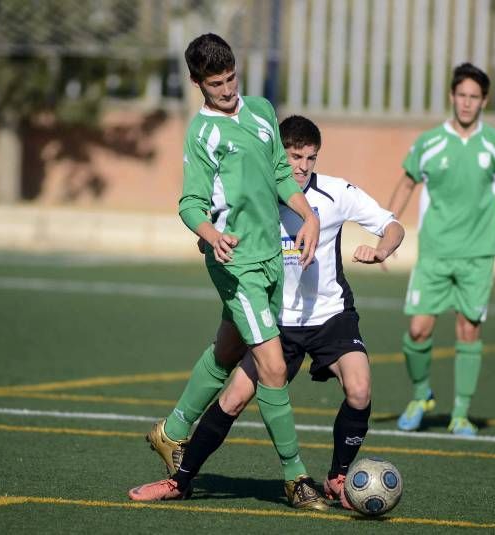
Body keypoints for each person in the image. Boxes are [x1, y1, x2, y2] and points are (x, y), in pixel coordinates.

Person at [145, 115, 404, 510]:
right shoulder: (254, 198)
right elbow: (213, 234)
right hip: (275, 320)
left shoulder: (336, 193)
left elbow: (392, 225)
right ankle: (180, 481)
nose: (302, 166)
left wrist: (382, 250)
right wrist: (213, 241)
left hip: (331, 316)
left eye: (310, 158)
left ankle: (337, 476)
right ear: (277, 155)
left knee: (360, 387)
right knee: (233, 399)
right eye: (294, 156)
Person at [127, 34, 323, 509]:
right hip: (236, 266)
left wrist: (308, 213)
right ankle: (296, 478)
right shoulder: (201, 135)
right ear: (197, 83)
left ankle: (171, 433)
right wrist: (213, 236)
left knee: (228, 349)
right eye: (216, 83)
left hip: (270, 259)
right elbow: (190, 204)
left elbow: (280, 171)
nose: (228, 89)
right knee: (273, 368)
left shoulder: (259, 110)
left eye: (231, 77)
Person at [389, 63, 495, 436]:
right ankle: (422, 394)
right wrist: (385, 232)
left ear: (484, 100)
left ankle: (460, 414)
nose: (467, 103)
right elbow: (406, 185)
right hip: (434, 253)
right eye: (462, 95)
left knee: (468, 330)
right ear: (452, 97)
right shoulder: (428, 143)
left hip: (477, 254)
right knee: (418, 330)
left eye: (475, 96)